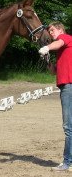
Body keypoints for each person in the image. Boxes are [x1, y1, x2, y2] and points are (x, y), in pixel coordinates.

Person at [39, 21, 72, 172]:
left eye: (52, 30)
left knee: (68, 127)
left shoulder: (66, 38)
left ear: (60, 29)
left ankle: (67, 162)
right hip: (66, 86)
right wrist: (47, 61)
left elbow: (57, 43)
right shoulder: (62, 51)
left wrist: (46, 47)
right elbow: (54, 71)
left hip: (69, 87)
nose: (50, 33)